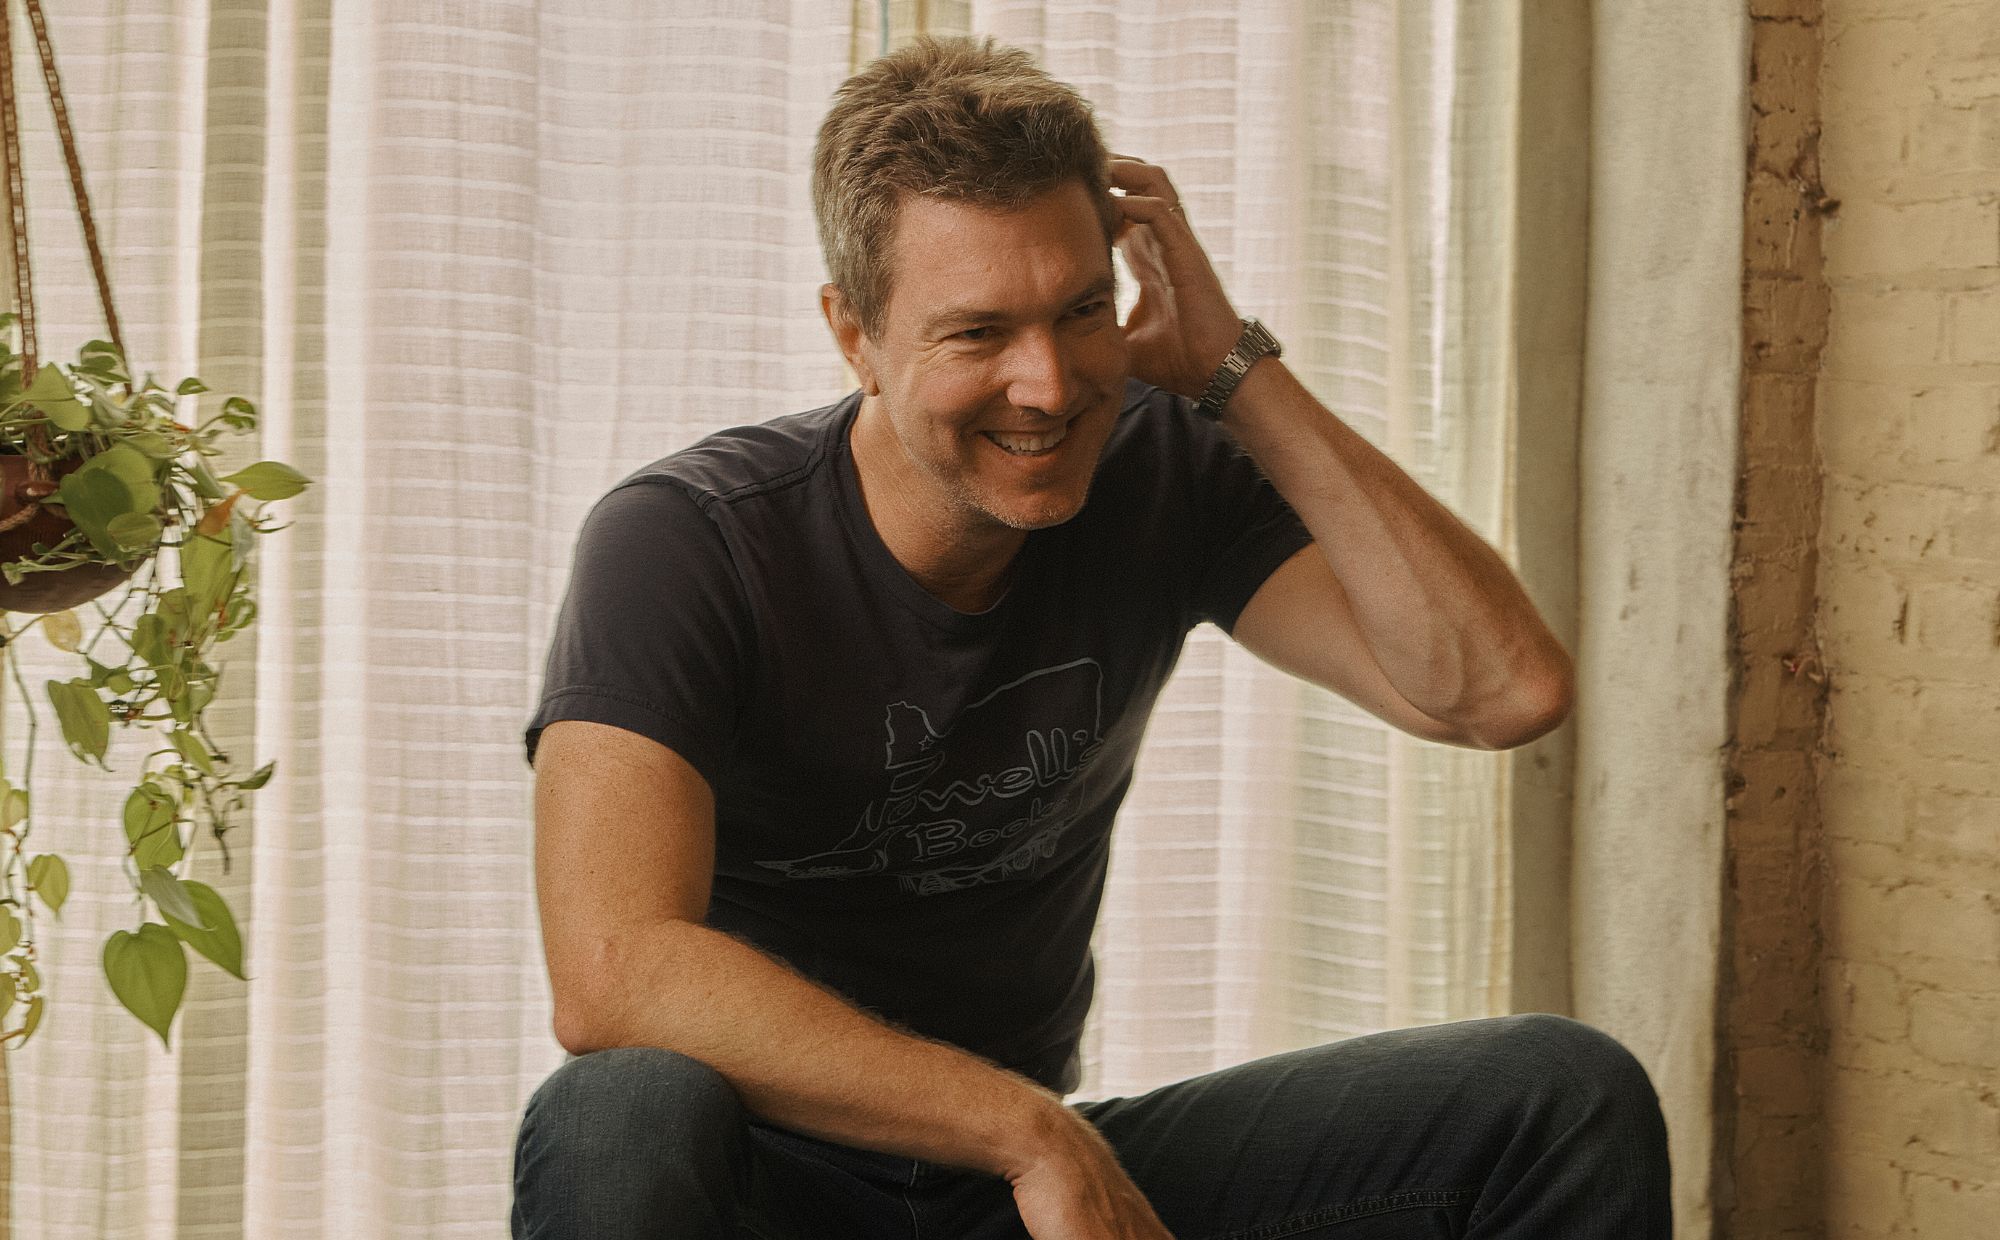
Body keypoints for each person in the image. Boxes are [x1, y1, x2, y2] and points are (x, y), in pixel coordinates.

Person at [512, 34, 1669, 1240]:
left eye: (1079, 311)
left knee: (1555, 1097)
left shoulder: (1157, 465)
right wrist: (1023, 1128)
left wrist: (1229, 368)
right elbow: (613, 970)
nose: (1050, 385)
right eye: (978, 333)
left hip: (1019, 1196)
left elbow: (1501, 690)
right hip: (773, 1184)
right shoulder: (689, 540)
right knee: (618, 1114)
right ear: (853, 334)